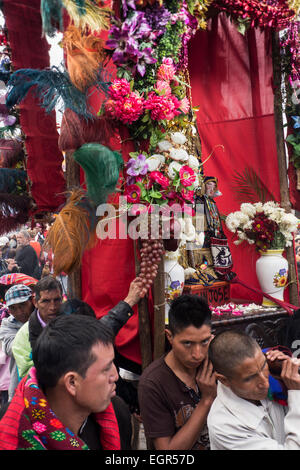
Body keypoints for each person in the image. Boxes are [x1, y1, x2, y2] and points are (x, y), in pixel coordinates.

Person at [0, 315, 122, 450]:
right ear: (72, 383)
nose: (115, 376)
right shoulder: (11, 426)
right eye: (106, 369)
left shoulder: (115, 411)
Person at [138, 294, 217, 450]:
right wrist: (207, 400)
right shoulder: (153, 383)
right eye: (187, 343)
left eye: (204, 342)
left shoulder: (217, 359)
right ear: (170, 336)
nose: (198, 354)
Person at [207, 329, 300, 450]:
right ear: (224, 380)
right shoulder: (224, 425)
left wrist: (286, 369)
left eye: (263, 366)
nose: (264, 383)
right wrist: (296, 394)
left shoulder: (274, 377)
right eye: (249, 378)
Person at [11, 276, 63, 380]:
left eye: (57, 300)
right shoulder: (22, 337)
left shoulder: (72, 323)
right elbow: (27, 375)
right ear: (35, 302)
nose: (53, 307)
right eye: (46, 301)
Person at [0, 284, 34, 400]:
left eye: (23, 305)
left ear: (32, 301)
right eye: (13, 308)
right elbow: (13, 348)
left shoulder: (44, 317)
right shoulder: (7, 325)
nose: (19, 312)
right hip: (19, 386)